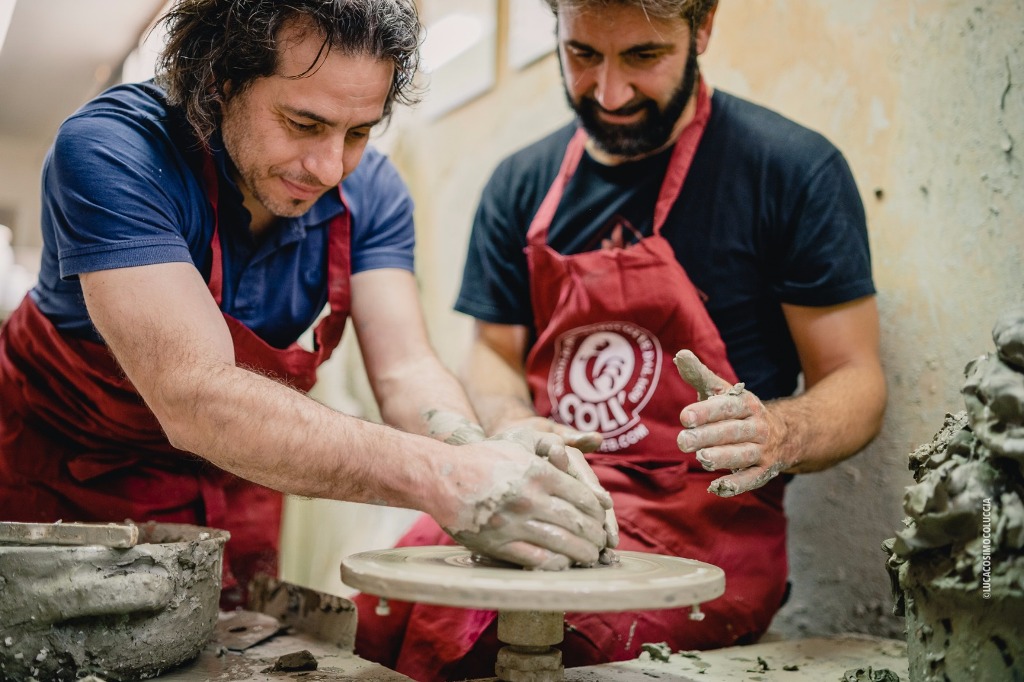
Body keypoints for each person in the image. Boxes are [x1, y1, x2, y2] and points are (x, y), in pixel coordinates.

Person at [0, 0, 615, 610]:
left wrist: (479, 451)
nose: (328, 166)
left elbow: (404, 368)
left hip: (240, 468)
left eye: (358, 132)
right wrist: (440, 476)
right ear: (222, 83)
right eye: (303, 124)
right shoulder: (113, 151)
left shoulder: (371, 190)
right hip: (69, 483)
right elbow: (192, 392)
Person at [352, 0, 887, 678]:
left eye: (643, 56)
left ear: (704, 27)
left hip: (701, 530)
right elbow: (492, 353)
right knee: (381, 612)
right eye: (582, 56)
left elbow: (857, 380)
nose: (610, 93)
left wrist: (781, 433)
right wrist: (515, 422)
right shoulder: (520, 184)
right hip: (547, 492)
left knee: (547, 645)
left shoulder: (791, 170)